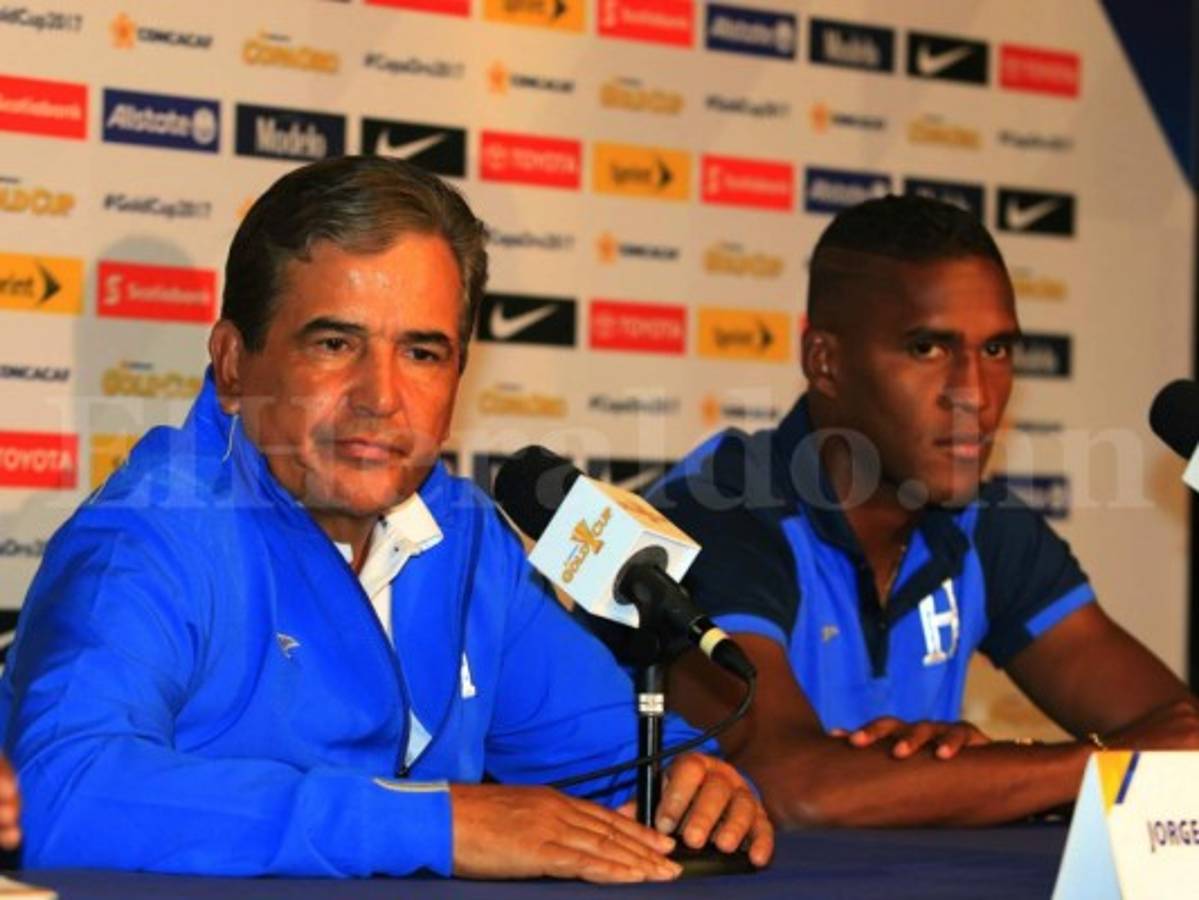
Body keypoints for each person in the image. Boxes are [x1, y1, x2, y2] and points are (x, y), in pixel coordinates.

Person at [0, 156, 772, 879]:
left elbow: (604, 758)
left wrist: (687, 785)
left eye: (423, 353)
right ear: (235, 364)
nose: (381, 397)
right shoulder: (151, 533)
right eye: (335, 343)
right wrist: (432, 824)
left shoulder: (465, 537)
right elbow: (65, 792)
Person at [649, 194, 1199, 827]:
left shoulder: (980, 523)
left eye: (996, 350)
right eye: (928, 350)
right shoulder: (720, 510)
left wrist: (979, 775)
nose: (974, 395)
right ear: (824, 362)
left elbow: (1176, 736)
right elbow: (792, 788)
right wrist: (1095, 767)